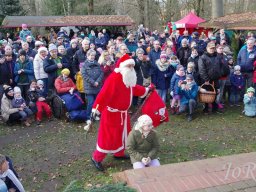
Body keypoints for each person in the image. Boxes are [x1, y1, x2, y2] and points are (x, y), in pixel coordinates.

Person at [90, 54, 149, 171]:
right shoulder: (114, 78)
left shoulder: (128, 77)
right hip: (111, 114)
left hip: (123, 114)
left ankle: (119, 153)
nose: (131, 68)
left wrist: (146, 90)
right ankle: (96, 158)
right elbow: (104, 94)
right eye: (129, 66)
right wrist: (96, 110)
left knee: (124, 135)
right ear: (122, 66)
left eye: (132, 66)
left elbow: (134, 88)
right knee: (108, 138)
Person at [81, 50, 104, 125]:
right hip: (89, 87)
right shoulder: (84, 65)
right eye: (90, 55)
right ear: (87, 56)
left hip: (97, 86)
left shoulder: (97, 64)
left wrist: (97, 81)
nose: (92, 57)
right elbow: (84, 75)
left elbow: (101, 73)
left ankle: (94, 115)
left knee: (97, 103)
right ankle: (88, 117)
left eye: (93, 55)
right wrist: (93, 82)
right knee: (90, 103)